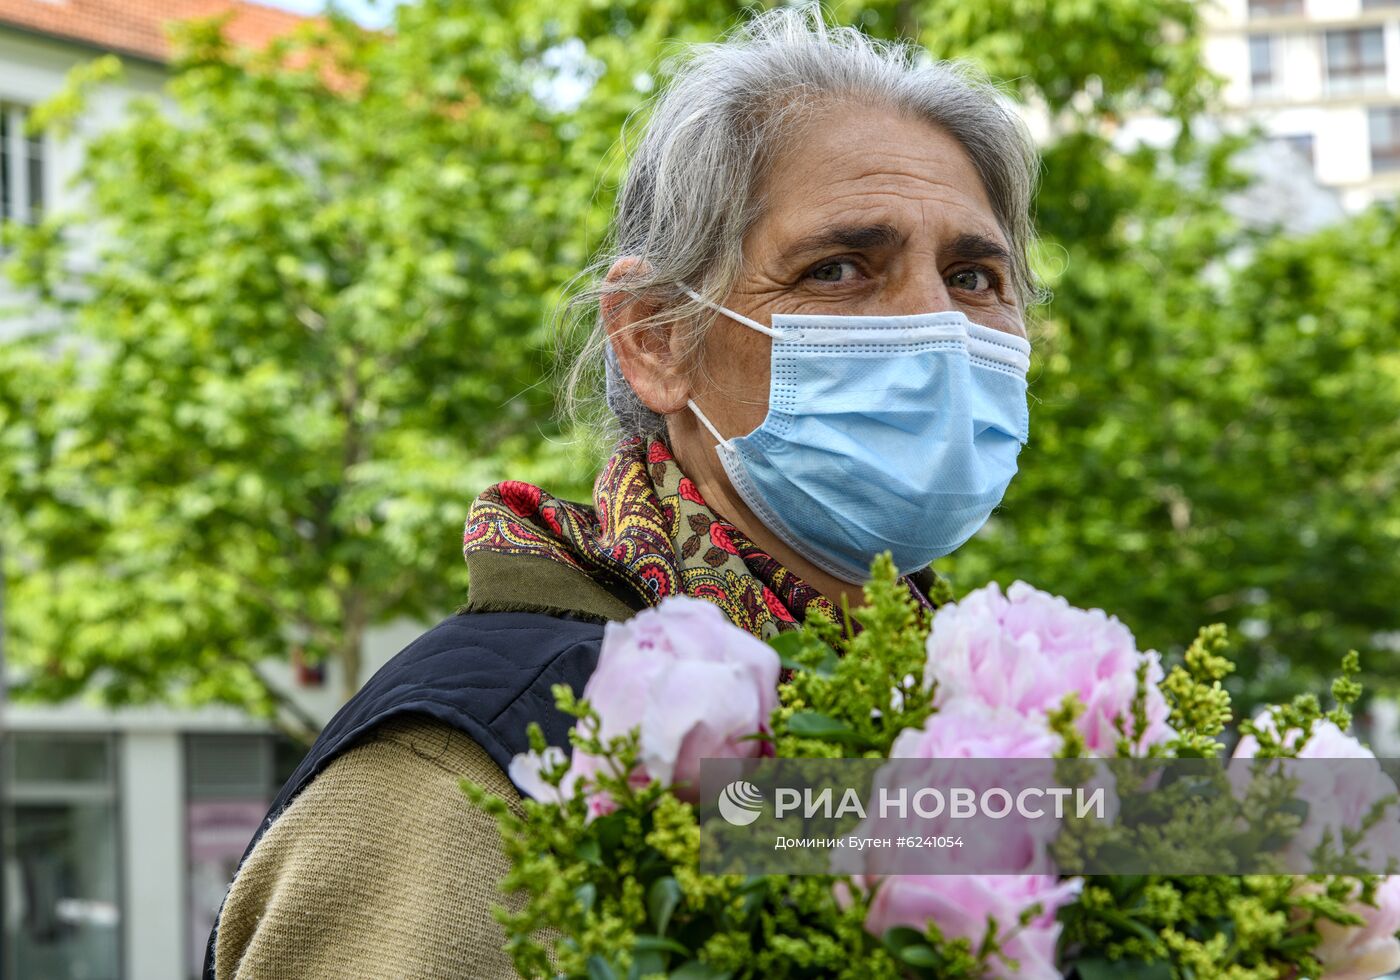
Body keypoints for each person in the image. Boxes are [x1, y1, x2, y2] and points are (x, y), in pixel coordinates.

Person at [204, 6, 1039, 977]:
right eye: (840, 267)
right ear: (653, 336)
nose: (934, 331)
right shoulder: (488, 762)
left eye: (974, 274)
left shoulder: (1001, 719)